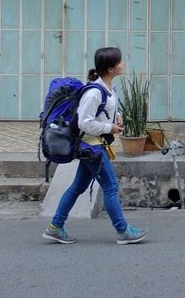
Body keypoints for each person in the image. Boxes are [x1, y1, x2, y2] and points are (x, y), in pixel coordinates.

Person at [43, 47, 149, 244]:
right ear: (110, 68)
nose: (122, 64)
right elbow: (84, 122)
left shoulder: (108, 88)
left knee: (77, 187)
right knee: (110, 186)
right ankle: (123, 231)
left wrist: (115, 118)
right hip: (92, 147)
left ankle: (55, 227)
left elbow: (101, 113)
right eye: (119, 62)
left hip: (94, 145)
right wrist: (109, 128)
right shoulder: (94, 92)